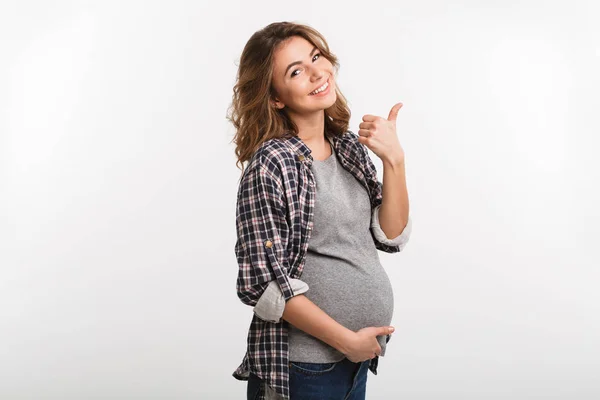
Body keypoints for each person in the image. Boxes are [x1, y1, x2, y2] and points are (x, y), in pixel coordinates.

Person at [226, 21, 412, 400]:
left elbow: (389, 235)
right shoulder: (272, 163)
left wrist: (394, 161)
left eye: (316, 57)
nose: (316, 73)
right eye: (296, 71)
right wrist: (346, 341)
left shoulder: (346, 147)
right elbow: (262, 284)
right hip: (303, 367)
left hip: (353, 362)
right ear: (276, 97)